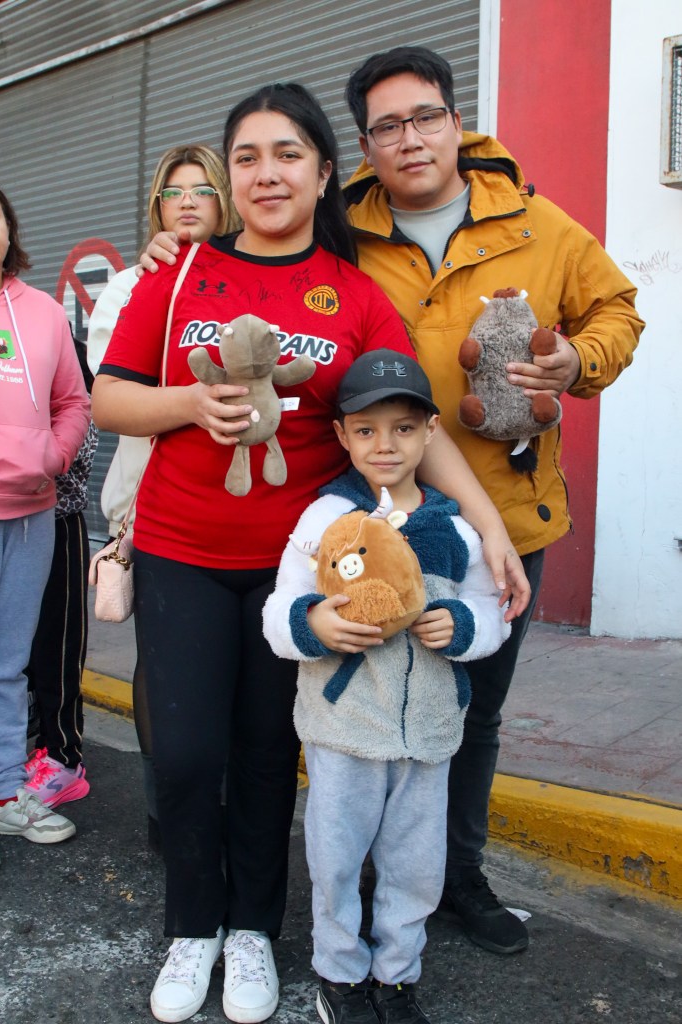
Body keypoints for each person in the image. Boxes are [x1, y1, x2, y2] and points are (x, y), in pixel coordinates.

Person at [92, 82, 528, 1024]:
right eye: (245, 156)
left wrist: (490, 528)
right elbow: (110, 397)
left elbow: (413, 422)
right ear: (226, 174)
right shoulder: (176, 279)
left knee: (263, 754)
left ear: (324, 170)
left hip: (302, 568)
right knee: (184, 753)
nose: (266, 173)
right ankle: (191, 928)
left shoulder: (357, 293)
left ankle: (250, 930)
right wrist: (187, 406)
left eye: (287, 153)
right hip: (181, 552)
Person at [341, 45, 645, 955]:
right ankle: (369, 876)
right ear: (366, 142)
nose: (410, 138)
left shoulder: (536, 223)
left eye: (425, 116)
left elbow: (617, 312)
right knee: (376, 709)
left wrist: (574, 363)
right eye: (388, 125)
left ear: (455, 121)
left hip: (506, 517)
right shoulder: (340, 231)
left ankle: (456, 879)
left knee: (473, 715)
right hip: (378, 519)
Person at [263, 349, 511, 1024]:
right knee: (337, 859)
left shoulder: (453, 528)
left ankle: (397, 975)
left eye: (403, 428)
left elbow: (490, 613)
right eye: (366, 429)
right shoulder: (324, 521)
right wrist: (312, 623)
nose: (385, 444)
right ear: (342, 435)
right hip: (344, 731)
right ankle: (339, 975)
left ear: (430, 433)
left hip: (426, 735)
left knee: (414, 866)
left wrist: (463, 625)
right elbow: (278, 613)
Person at [86, 144, 235, 850]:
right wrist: (151, 284)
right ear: (155, 206)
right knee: (165, 665)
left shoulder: (249, 274)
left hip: (242, 505)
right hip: (150, 500)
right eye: (172, 191)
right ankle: (163, 810)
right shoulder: (128, 285)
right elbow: (110, 383)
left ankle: (228, 805)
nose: (186, 201)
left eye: (202, 189)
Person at [0, 187, 90, 847]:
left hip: (29, 512)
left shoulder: (41, 313)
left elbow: (74, 400)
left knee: (8, 663)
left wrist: (53, 457)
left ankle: (6, 790)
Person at [24, 331, 98, 808]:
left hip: (53, 513)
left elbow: (84, 422)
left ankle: (62, 758)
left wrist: (43, 469)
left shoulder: (45, 325)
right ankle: (20, 748)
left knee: (56, 645)